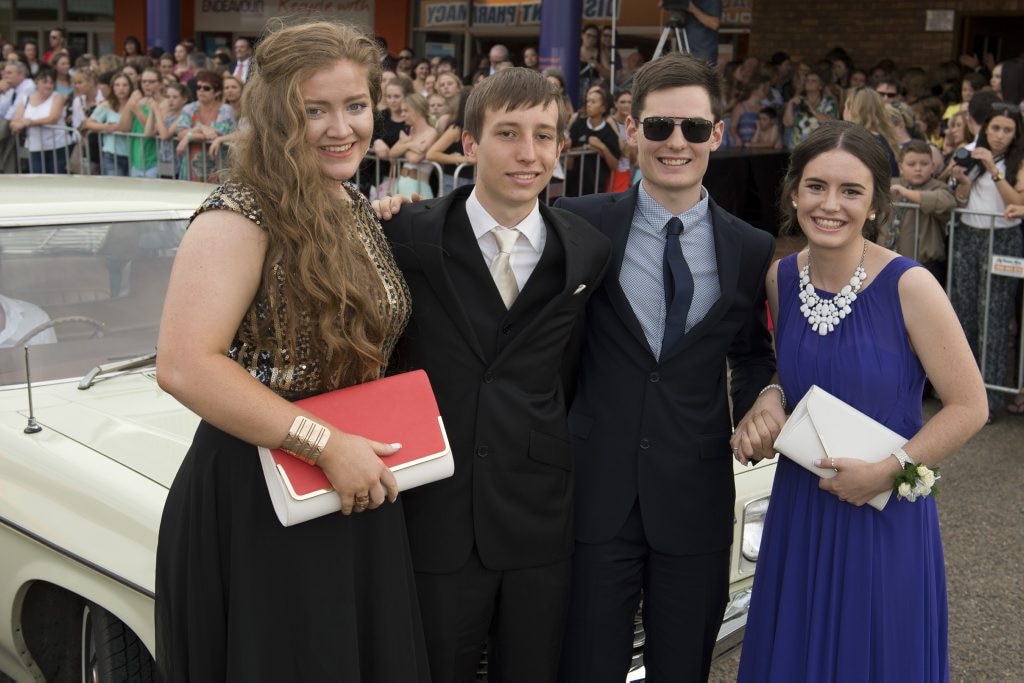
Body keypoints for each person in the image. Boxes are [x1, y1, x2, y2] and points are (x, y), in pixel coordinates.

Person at [154, 20, 430, 682]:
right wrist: (323, 443)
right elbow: (185, 364)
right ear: (278, 117)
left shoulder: (355, 206)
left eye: (356, 106)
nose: (343, 127)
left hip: (352, 485)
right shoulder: (238, 215)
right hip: (259, 499)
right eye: (315, 111)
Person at [378, 66, 611, 683]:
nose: (527, 153)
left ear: (561, 149)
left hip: (539, 513)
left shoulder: (585, 250)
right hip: (435, 510)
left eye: (543, 135)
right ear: (472, 143)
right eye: (508, 133)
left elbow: (570, 368)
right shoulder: (406, 232)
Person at [732, 120, 988, 682]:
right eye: (817, 186)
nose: (831, 205)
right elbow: (797, 371)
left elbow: (970, 405)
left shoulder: (910, 285)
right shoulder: (780, 279)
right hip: (802, 506)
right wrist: (771, 395)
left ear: (876, 204)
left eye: (851, 191)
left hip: (883, 511)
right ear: (794, 191)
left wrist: (886, 473)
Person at [554, 51, 777, 682]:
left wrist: (768, 396)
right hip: (595, 492)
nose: (675, 142)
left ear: (718, 134)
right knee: (587, 667)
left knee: (683, 669)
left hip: (695, 494)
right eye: (658, 127)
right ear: (630, 129)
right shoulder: (580, 224)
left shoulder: (749, 246)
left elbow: (752, 354)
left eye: (694, 128)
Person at [948, 105, 1024, 420]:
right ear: (985, 129)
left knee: (993, 317)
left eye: (1007, 130)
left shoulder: (1016, 161)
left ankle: (988, 398)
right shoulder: (970, 153)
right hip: (969, 236)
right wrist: (962, 178)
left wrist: (994, 169)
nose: (1000, 136)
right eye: (995, 129)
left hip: (1002, 239)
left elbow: (1016, 202)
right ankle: (959, 395)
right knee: (963, 312)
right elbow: (960, 200)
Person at [879, 139, 955, 283]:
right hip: (886, 261)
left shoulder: (939, 187)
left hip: (924, 265)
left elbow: (947, 202)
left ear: (932, 167)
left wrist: (907, 193)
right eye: (911, 164)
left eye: (924, 164)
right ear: (901, 167)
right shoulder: (890, 184)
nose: (918, 168)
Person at [174, 69, 235, 181]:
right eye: (199, 87)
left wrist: (190, 136)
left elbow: (218, 134)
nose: (201, 91)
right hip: (190, 169)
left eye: (206, 88)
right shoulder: (189, 108)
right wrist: (201, 127)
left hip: (218, 167)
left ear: (217, 92)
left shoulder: (226, 109)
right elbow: (180, 132)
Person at [9, 66, 71, 173]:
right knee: (36, 177)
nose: (48, 85)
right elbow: (17, 119)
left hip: (57, 145)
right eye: (45, 82)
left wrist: (30, 122)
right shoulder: (26, 98)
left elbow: (53, 118)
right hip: (35, 146)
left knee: (56, 178)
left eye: (51, 83)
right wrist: (15, 126)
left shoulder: (57, 97)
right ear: (36, 83)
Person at [566, 87, 620, 196]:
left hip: (597, 191)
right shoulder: (578, 125)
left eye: (593, 102)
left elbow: (614, 165)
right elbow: (568, 155)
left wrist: (602, 148)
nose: (588, 104)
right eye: (588, 101)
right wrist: (585, 148)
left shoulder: (609, 132)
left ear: (603, 108)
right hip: (573, 188)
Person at [681, 0, 722, 65]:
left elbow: (714, 24)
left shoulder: (712, 2)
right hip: (686, 53)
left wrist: (692, 8)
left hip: (703, 55)